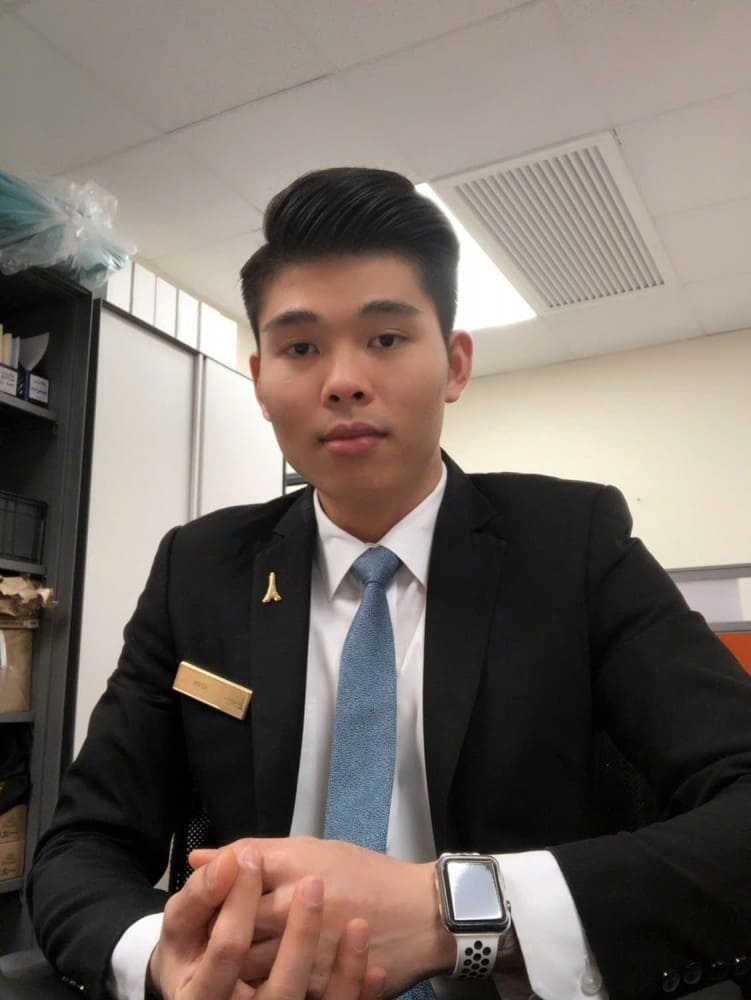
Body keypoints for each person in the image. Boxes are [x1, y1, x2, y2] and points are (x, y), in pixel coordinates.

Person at [27, 167, 751, 1000]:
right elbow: (81, 847)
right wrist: (165, 958)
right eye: (301, 348)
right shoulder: (198, 569)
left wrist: (451, 911)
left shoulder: (571, 544)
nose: (342, 380)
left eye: (385, 338)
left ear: (454, 364)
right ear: (260, 380)